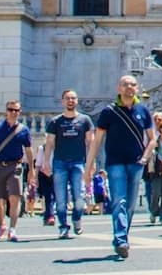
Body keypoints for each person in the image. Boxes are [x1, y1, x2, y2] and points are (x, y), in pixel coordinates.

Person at [85, 74, 156, 259]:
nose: (129, 88)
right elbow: (97, 140)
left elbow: (152, 139)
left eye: (133, 85)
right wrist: (89, 167)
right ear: (119, 88)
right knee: (119, 201)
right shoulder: (109, 112)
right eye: (125, 85)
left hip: (136, 163)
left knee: (130, 205)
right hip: (115, 163)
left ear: (137, 89)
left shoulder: (143, 110)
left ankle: (122, 236)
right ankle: (121, 239)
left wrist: (145, 157)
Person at [42, 88, 94, 238]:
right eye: (68, 98)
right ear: (63, 101)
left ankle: (77, 218)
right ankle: (63, 225)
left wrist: (92, 163)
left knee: (79, 197)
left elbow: (90, 143)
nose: (71, 101)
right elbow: (50, 142)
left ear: (77, 101)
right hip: (60, 163)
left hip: (79, 162)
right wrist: (46, 162)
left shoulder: (85, 120)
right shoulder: (55, 121)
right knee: (60, 198)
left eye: (73, 98)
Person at [0, 99, 35, 242]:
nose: (13, 113)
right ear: (6, 111)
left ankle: (12, 229)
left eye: (16, 110)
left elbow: (29, 150)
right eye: (10, 110)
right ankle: (1, 224)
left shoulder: (23, 130)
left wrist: (31, 169)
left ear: (19, 112)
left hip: (16, 166)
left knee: (15, 197)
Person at [33, 141, 56, 225]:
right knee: (48, 196)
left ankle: (47, 215)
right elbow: (38, 164)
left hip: (56, 173)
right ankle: (51, 216)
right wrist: (35, 177)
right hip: (44, 175)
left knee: (54, 196)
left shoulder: (59, 148)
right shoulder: (42, 148)